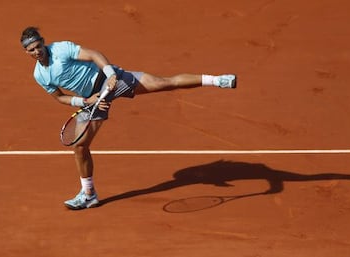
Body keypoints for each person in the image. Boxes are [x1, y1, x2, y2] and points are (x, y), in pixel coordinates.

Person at [20, 26, 237, 210]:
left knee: (163, 83)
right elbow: (60, 98)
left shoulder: (61, 48)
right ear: (27, 52)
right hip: (91, 98)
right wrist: (86, 102)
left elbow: (94, 55)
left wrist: (111, 74)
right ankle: (89, 194)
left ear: (43, 42)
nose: (37, 51)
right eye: (31, 49)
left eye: (38, 46)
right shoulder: (40, 75)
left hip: (109, 79)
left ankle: (218, 80)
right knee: (79, 146)